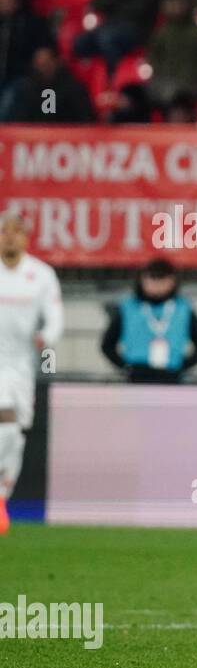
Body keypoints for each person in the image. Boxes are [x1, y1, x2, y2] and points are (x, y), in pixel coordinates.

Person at [0, 213, 62, 535]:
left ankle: (1, 496)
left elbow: (54, 316)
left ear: (26, 238)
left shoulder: (41, 275)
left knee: (16, 433)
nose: (9, 237)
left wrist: (47, 338)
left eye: (16, 232)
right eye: (4, 232)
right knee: (5, 422)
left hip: (21, 366)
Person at [101, 258, 197, 384]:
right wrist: (125, 367)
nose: (157, 285)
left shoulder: (183, 308)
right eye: (152, 279)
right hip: (137, 375)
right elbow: (107, 345)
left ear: (172, 281)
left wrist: (181, 367)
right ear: (142, 280)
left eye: (162, 280)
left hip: (171, 376)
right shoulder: (128, 306)